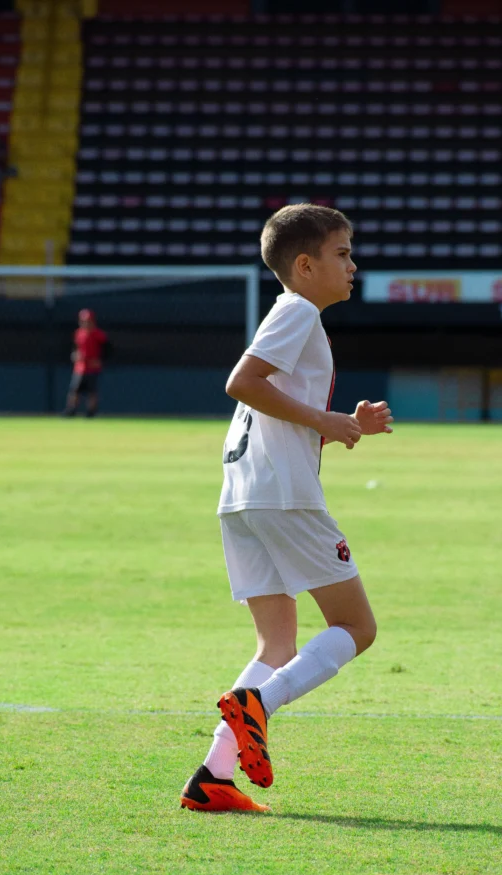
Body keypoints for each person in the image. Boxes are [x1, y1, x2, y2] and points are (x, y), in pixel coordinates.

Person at [181, 204, 394, 813]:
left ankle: (213, 777)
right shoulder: (298, 311)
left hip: (244, 497)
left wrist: (342, 425)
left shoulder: (293, 315)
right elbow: (242, 383)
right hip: (283, 497)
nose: (352, 265)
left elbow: (274, 412)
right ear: (304, 265)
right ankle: (260, 705)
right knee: (357, 628)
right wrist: (325, 420)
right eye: (342, 253)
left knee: (276, 646)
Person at [64, 309, 108, 418]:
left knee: (92, 391)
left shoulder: (99, 335)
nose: (85, 323)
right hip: (80, 368)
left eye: (88, 321)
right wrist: (74, 355)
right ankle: (71, 410)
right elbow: (74, 348)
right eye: (83, 321)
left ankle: (91, 412)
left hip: (92, 368)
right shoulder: (78, 333)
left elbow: (108, 350)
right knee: (74, 390)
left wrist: (100, 360)